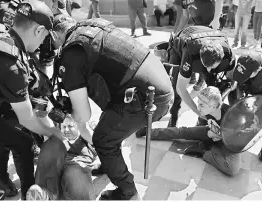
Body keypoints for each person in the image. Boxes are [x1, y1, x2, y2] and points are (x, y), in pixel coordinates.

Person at [27, 15, 173, 200]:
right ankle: (108, 163)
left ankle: (128, 192)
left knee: (104, 140)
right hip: (159, 85)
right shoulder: (92, 27)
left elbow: (84, 114)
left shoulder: (72, 54)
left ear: (55, 35)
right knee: (109, 128)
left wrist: (68, 117)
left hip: (145, 97)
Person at [0, 0, 65, 200]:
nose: (42, 45)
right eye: (45, 38)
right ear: (39, 31)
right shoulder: (12, 66)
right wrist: (52, 132)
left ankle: (30, 194)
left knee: (22, 143)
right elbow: (27, 119)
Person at [136, 86, 243, 176]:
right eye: (198, 103)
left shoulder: (231, 117)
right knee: (183, 132)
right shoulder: (208, 111)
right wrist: (211, 134)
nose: (198, 107)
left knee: (233, 169)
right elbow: (207, 125)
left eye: (201, 105)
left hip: (229, 144)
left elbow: (238, 139)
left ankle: (204, 152)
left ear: (214, 106)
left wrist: (217, 136)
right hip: (211, 132)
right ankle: (148, 132)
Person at [166, 25, 236, 128]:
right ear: (200, 56)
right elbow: (181, 89)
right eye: (205, 66)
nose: (208, 70)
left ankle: (206, 119)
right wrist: (198, 112)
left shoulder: (228, 55)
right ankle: (174, 115)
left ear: (221, 59)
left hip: (211, 38)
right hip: (183, 42)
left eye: (212, 67)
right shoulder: (190, 53)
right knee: (177, 87)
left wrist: (219, 96)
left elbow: (233, 82)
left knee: (213, 84)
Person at [26, 114, 101, 200]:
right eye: (64, 126)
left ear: (78, 127)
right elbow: (48, 125)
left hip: (75, 174)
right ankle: (45, 194)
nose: (66, 129)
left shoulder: (84, 139)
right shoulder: (59, 139)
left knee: (74, 173)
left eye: (70, 126)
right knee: (52, 144)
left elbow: (86, 130)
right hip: (55, 177)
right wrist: (42, 113)